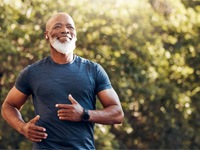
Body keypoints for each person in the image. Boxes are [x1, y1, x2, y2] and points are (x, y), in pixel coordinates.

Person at [1, 12, 124, 149]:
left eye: (70, 27)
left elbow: (117, 114)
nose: (65, 30)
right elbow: (9, 105)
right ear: (46, 35)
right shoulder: (32, 72)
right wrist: (22, 127)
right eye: (57, 26)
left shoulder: (93, 70)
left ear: (75, 35)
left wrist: (84, 114)